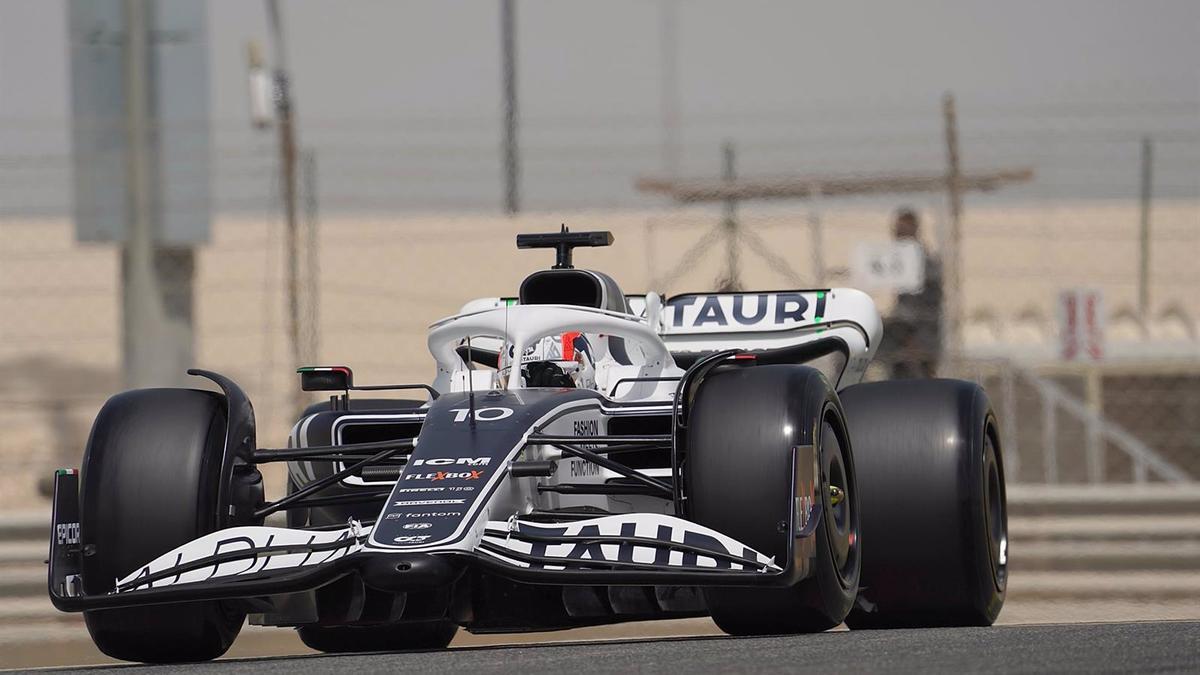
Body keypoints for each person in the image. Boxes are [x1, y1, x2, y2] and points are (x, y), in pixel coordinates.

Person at [879, 207, 943, 379]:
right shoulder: (902, 262)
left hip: (921, 333)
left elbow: (928, 304)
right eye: (897, 231)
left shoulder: (923, 262)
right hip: (904, 331)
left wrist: (911, 338)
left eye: (903, 231)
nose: (898, 236)